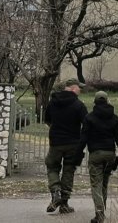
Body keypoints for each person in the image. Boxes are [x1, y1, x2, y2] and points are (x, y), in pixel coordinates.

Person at [75, 91, 118, 223]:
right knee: (104, 183)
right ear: (107, 101)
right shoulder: (114, 118)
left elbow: (83, 138)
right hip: (110, 155)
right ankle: (102, 210)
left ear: (95, 101)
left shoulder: (89, 118)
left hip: (95, 155)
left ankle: (99, 213)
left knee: (96, 184)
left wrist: (77, 154)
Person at [44, 78, 88, 214]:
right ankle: (64, 204)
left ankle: (56, 192)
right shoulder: (79, 105)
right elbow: (86, 124)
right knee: (69, 170)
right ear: (73, 88)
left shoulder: (53, 102)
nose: (80, 90)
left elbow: (47, 120)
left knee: (52, 167)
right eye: (79, 87)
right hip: (73, 143)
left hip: (56, 142)